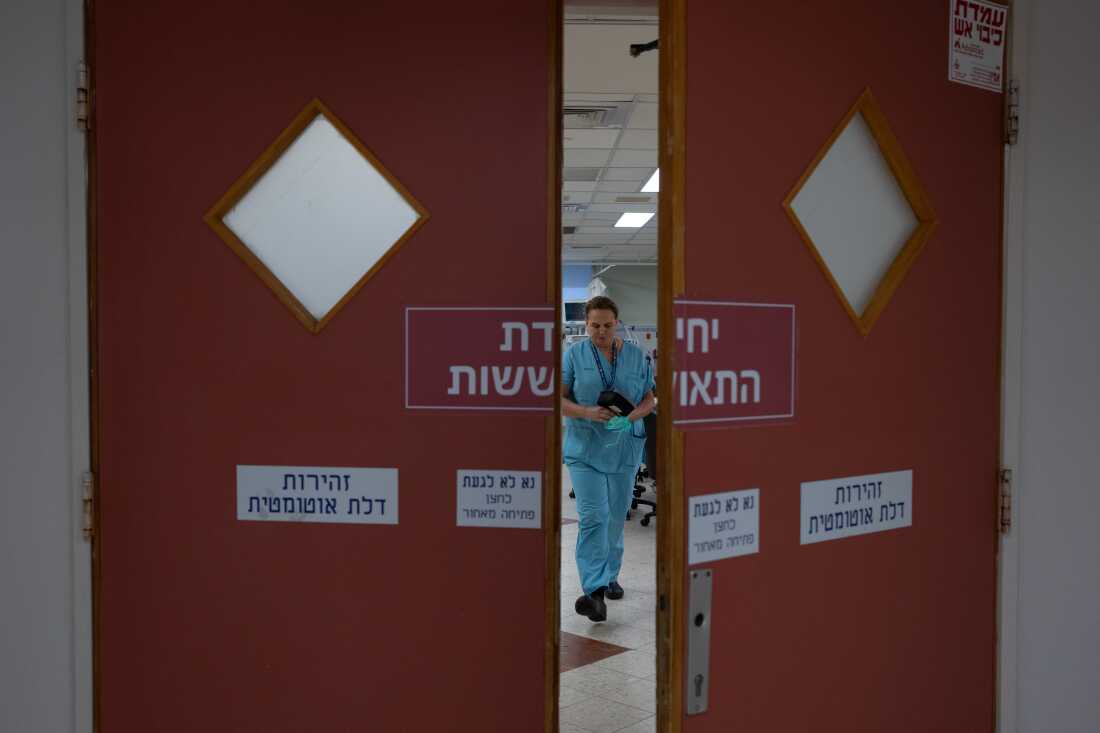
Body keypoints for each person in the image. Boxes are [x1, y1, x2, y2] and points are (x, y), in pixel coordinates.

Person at [562, 296, 656, 622]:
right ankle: (594, 591)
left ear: (617, 322)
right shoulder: (573, 355)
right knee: (593, 517)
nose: (600, 331)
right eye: (594, 325)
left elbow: (650, 397)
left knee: (616, 517)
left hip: (624, 446)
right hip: (583, 448)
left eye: (606, 325)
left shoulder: (635, 355)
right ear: (586, 324)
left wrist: (630, 419)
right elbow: (557, 399)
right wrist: (586, 412)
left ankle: (611, 573)